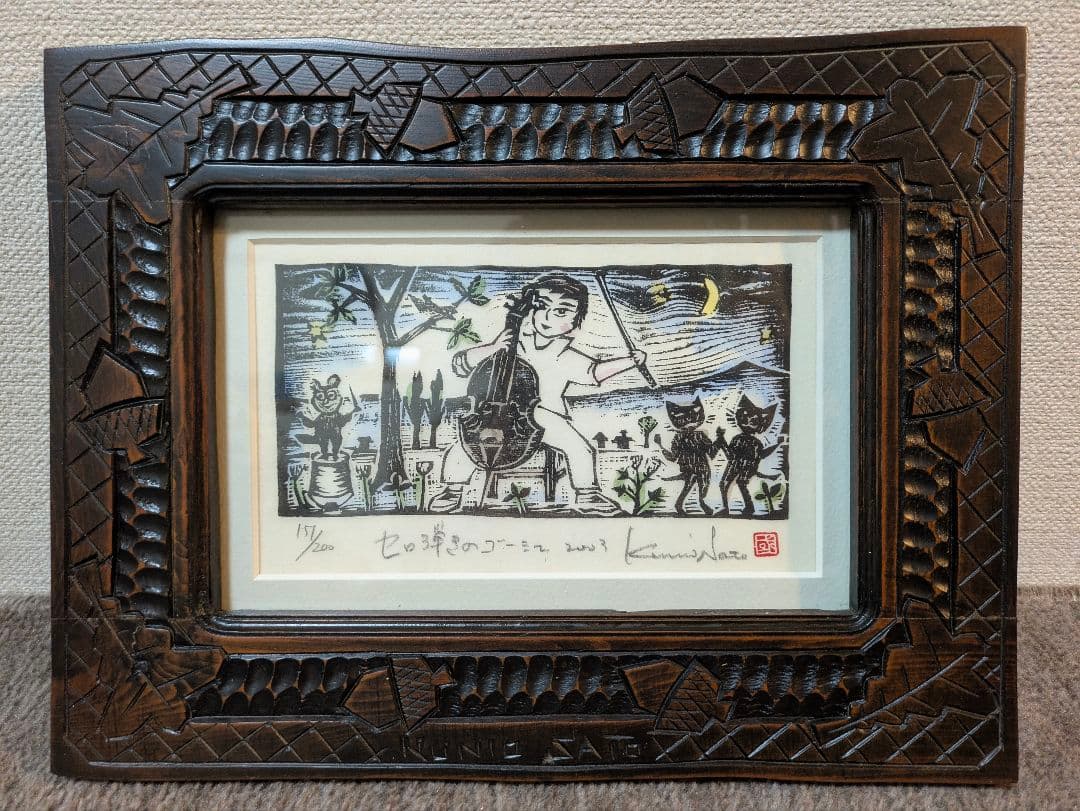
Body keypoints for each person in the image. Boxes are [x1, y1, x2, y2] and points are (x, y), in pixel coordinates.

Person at [430, 274, 645, 514]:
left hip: (544, 416)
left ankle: (587, 494)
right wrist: (492, 348)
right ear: (530, 309)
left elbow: (594, 373)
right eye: (542, 306)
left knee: (579, 447)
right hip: (490, 414)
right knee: (463, 445)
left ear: (576, 321)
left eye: (562, 311)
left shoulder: (563, 354)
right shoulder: (511, 341)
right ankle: (452, 490)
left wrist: (630, 362)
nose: (548, 317)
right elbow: (461, 365)